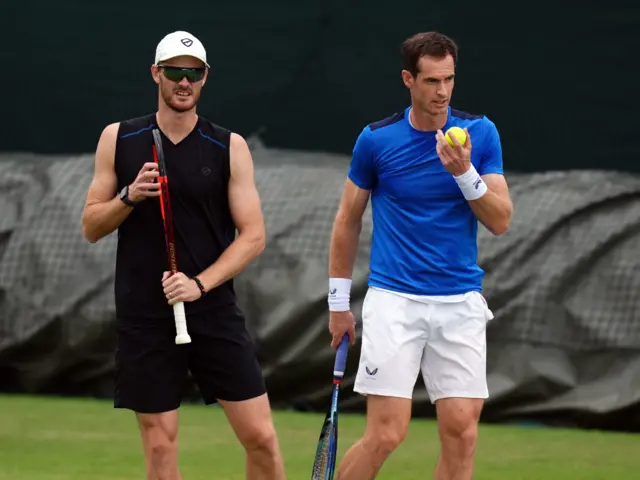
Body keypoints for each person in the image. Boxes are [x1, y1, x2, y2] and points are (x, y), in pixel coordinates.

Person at [81, 30, 286, 480]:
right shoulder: (118, 138)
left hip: (212, 310)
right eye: (174, 71)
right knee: (160, 448)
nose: (184, 82)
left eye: (193, 73)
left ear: (205, 78)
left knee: (263, 441)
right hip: (146, 315)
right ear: (156, 73)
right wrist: (130, 196)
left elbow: (253, 237)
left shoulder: (228, 146)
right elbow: (92, 225)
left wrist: (199, 285)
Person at [327, 31, 513, 479]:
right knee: (387, 433)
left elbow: (501, 219)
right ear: (409, 79)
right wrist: (338, 305)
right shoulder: (376, 140)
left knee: (462, 433)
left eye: (449, 79)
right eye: (431, 81)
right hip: (395, 301)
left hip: (460, 302)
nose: (443, 91)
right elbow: (347, 220)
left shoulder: (480, 134)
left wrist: (464, 172)